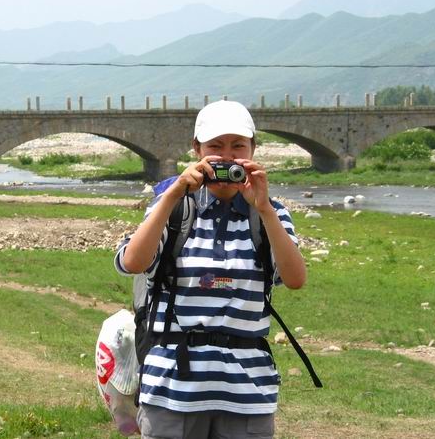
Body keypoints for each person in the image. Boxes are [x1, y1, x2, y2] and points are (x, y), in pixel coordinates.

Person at [114, 100, 306, 439]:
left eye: (238, 147)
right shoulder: (174, 209)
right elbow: (133, 262)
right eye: (216, 147)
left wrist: (264, 209)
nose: (227, 157)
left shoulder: (270, 214)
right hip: (172, 390)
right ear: (197, 149)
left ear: (253, 149)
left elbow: (294, 279)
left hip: (248, 392)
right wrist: (172, 195)